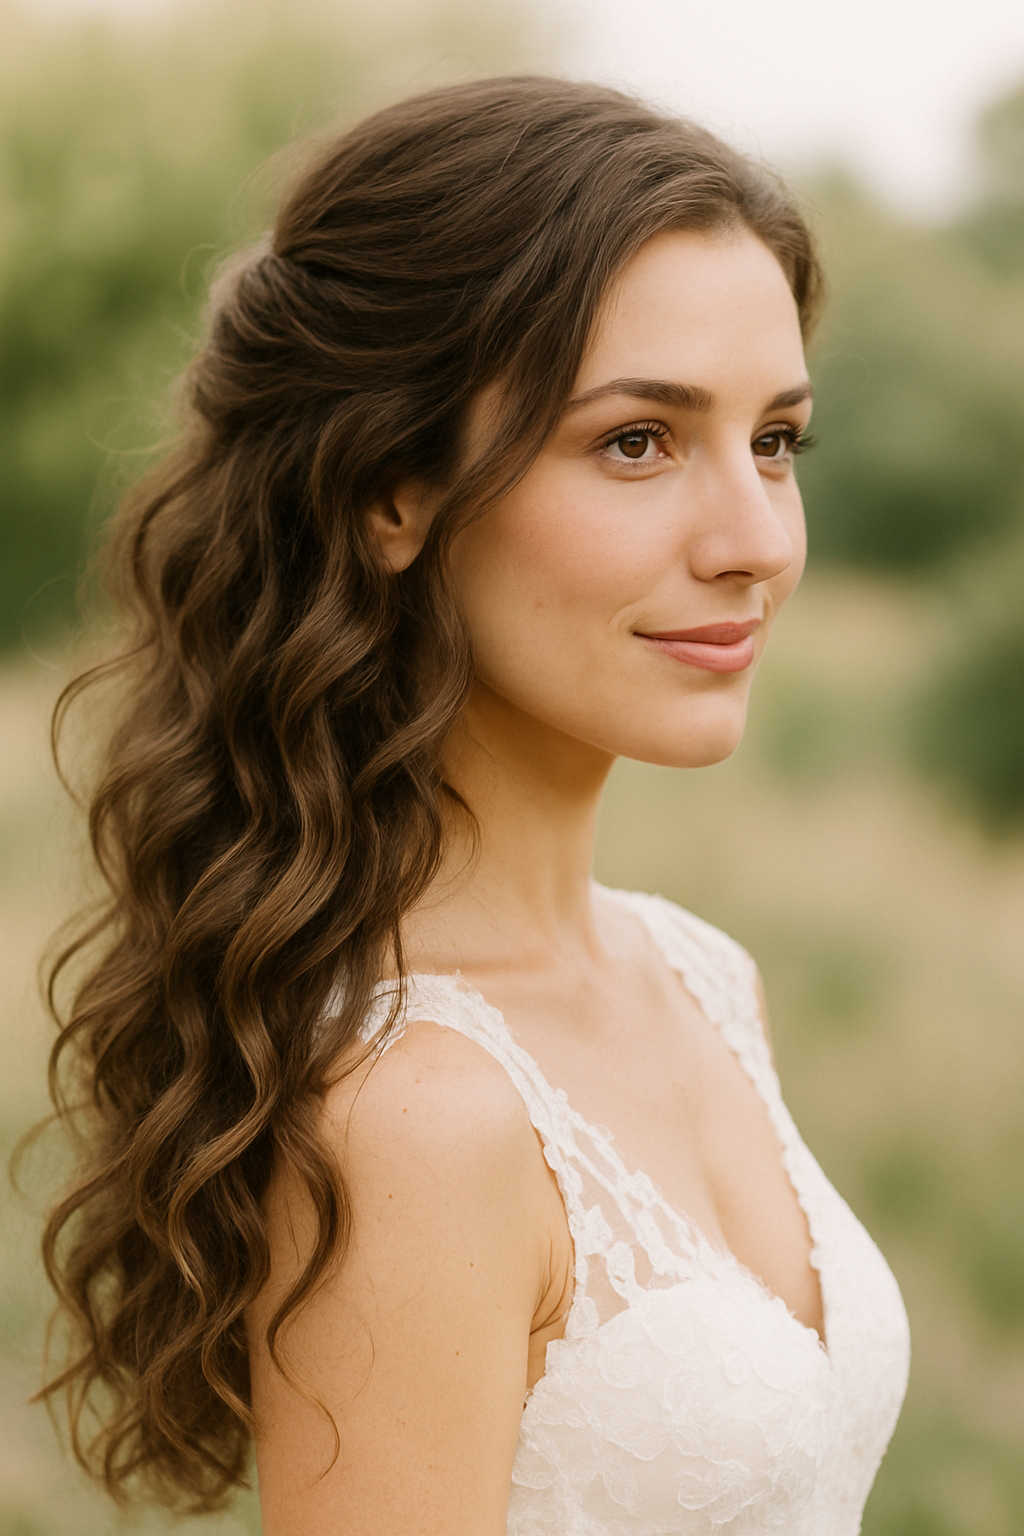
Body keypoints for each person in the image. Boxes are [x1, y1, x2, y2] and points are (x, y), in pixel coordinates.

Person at [41, 76, 910, 1535]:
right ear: (392, 490)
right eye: (638, 441)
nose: (756, 540)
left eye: (776, 441)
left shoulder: (702, 977)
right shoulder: (417, 1112)